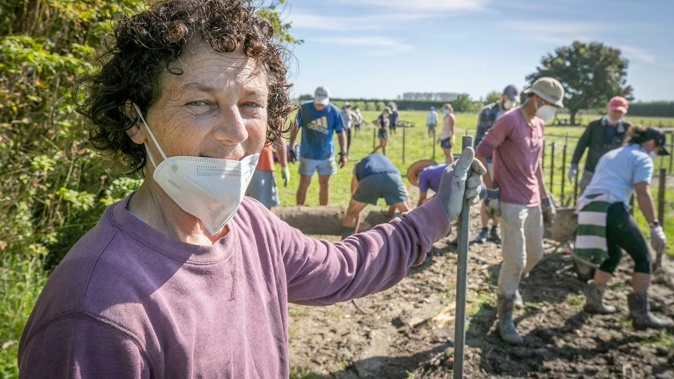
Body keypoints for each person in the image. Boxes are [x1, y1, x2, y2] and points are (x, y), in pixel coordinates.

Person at [17, 1, 487, 377]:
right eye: (201, 103)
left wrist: (437, 212)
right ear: (133, 121)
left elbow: (346, 268)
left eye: (250, 103)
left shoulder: (251, 225)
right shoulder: (94, 312)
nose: (236, 132)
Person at [476, 77, 564, 345]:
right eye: (551, 104)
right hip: (511, 201)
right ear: (537, 98)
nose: (553, 110)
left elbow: (536, 167)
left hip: (533, 199)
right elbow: (480, 153)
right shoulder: (509, 121)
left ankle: (510, 287)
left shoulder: (539, 125)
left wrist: (546, 198)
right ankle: (505, 315)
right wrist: (491, 191)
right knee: (515, 259)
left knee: (535, 254)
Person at [574, 126, 671, 330]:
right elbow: (642, 192)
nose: (655, 155)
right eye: (657, 151)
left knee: (612, 254)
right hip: (610, 206)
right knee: (643, 256)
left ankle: (594, 301)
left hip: (589, 206)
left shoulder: (612, 154)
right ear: (652, 144)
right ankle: (641, 315)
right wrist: (654, 225)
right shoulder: (641, 158)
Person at [473, 84, 519, 244]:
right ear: (502, 96)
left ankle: (495, 228)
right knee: (487, 195)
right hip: (488, 161)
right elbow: (479, 138)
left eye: (514, 100)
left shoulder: (514, 114)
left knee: (501, 195)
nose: (511, 102)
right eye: (509, 99)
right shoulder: (488, 111)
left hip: (505, 163)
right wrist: (477, 161)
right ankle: (484, 229)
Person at [291, 86, 347, 206]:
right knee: (304, 183)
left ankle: (323, 212)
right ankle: (299, 210)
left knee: (325, 184)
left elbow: (341, 132)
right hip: (307, 154)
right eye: (318, 103)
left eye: (323, 104)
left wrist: (344, 153)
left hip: (326, 155)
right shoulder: (304, 109)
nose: (320, 106)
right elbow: (295, 127)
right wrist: (291, 147)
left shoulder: (333, 111)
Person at [569, 96, 632, 194]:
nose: (616, 114)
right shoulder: (594, 126)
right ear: (607, 109)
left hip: (614, 173)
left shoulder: (628, 129)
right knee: (586, 198)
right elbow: (581, 145)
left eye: (619, 112)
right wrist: (574, 164)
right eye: (614, 111)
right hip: (591, 170)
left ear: (625, 112)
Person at [341, 153, 412, 239]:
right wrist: (390, 214)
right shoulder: (388, 163)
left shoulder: (359, 167)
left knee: (351, 213)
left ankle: (346, 245)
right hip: (394, 177)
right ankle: (420, 245)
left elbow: (353, 193)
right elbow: (398, 198)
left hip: (371, 178)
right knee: (407, 214)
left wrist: (355, 211)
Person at [245, 136, 289, 209]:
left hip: (235, 162)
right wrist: (284, 166)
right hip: (260, 163)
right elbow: (279, 136)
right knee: (263, 208)